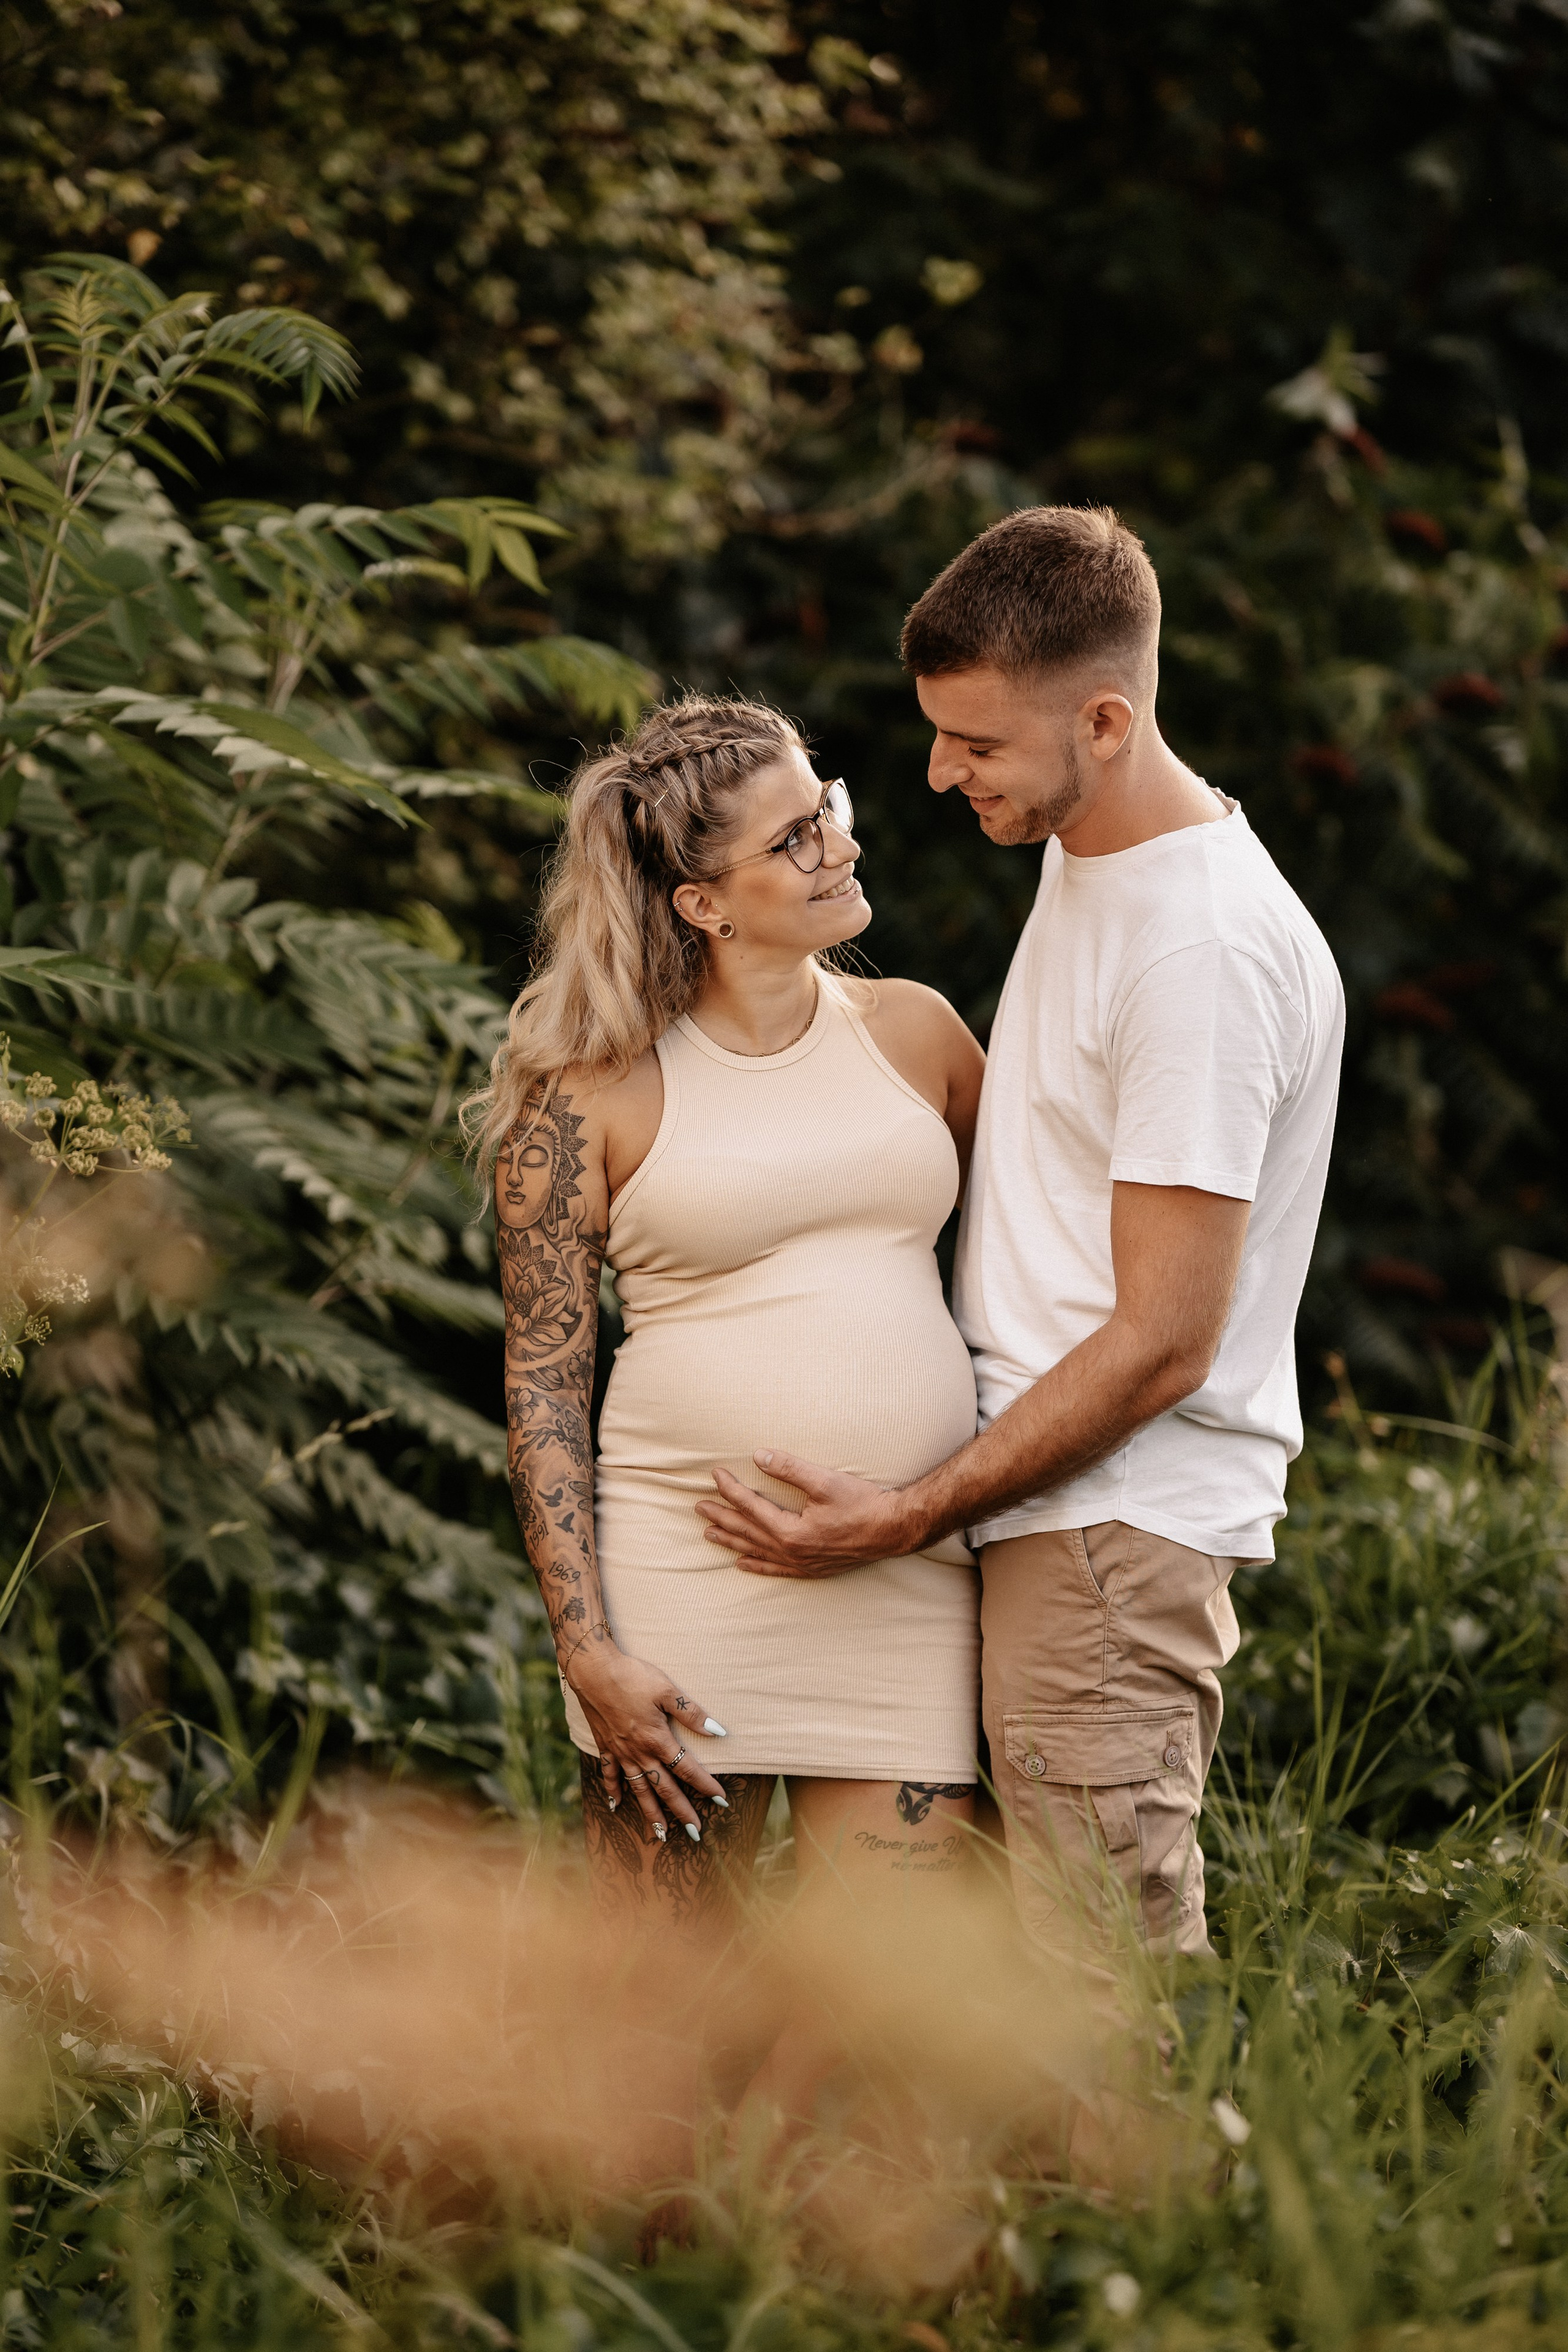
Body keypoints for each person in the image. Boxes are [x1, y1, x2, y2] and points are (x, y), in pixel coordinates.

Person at [697, 506, 1345, 1959]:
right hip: (1038, 1513)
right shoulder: (1095, 861)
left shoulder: (1198, 952)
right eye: (936, 735)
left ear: (1104, 720)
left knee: (1097, 1981)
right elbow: (1037, 1168)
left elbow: (1165, 1338)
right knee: (996, 1987)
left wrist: (908, 1510)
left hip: (1105, 1535)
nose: (936, 775)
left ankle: (1171, 2202)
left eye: (976, 745)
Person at [471, 695, 986, 1928]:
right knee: (652, 2006)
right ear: (700, 903)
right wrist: (586, 1647)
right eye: (796, 837)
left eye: (830, 808)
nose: (842, 845)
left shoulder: (917, 1035)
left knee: (892, 2005)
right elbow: (543, 1377)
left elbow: (1038, 1267)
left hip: (909, 1584)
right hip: (681, 1588)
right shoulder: (585, 1097)